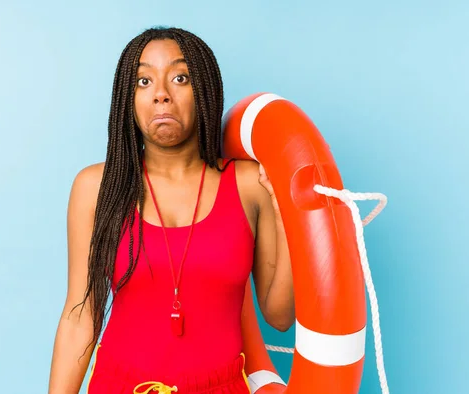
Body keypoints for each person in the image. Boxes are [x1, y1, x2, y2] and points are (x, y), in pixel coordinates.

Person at [47, 26, 295, 394]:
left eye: (180, 78)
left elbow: (279, 316)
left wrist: (288, 212)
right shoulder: (96, 187)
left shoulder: (249, 185)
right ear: (126, 100)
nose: (161, 94)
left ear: (205, 90)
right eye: (143, 81)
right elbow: (80, 315)